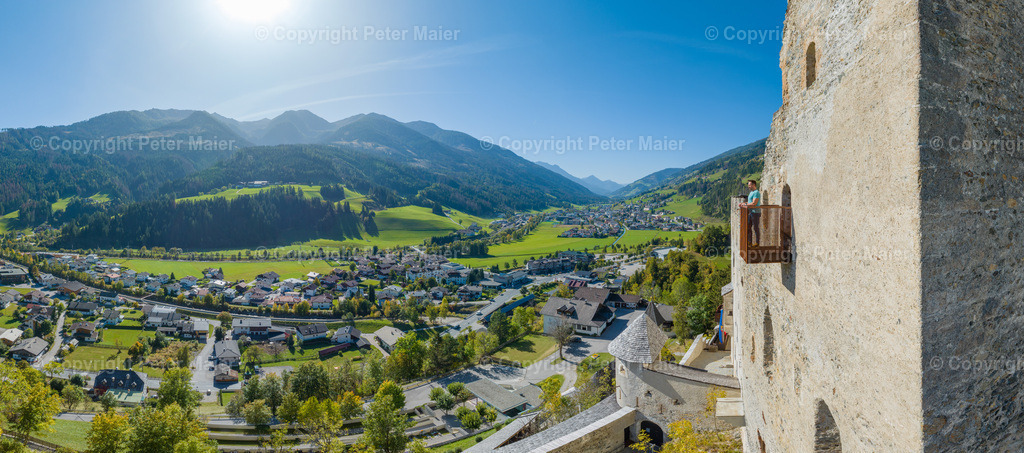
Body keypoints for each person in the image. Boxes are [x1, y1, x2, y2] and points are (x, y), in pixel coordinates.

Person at [739, 180, 761, 246]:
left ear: (754, 185)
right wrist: (743, 203)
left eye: (749, 185)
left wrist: (745, 205)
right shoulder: (751, 192)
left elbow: (754, 203)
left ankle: (757, 243)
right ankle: (749, 242)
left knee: (756, 228)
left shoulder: (756, 192)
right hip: (751, 212)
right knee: (748, 227)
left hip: (755, 213)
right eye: (748, 185)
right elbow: (750, 202)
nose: (748, 186)